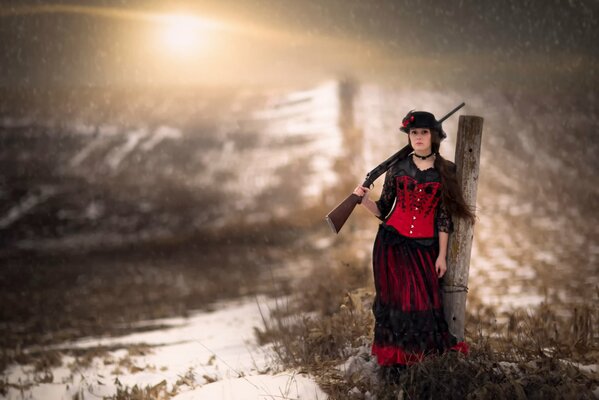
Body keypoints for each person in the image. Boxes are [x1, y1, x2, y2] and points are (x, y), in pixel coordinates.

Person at [353, 110, 476, 383]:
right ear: (408, 137)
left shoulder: (446, 171)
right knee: (393, 303)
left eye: (423, 132)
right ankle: (395, 367)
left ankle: (422, 366)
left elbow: (444, 218)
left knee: (423, 302)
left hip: (424, 247)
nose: (418, 137)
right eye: (413, 133)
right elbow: (384, 209)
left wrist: (442, 255)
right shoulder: (397, 168)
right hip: (391, 244)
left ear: (434, 136)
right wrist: (363, 200)